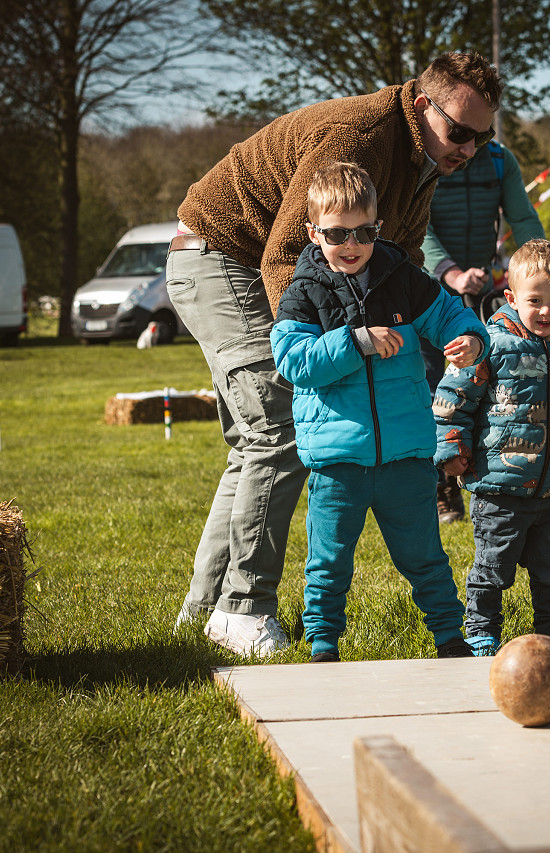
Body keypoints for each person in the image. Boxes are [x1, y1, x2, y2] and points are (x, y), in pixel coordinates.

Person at [168, 51, 503, 657]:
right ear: (424, 107)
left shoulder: (423, 160)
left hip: (260, 261)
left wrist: (442, 344)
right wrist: (323, 358)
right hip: (222, 256)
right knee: (280, 427)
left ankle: (205, 613)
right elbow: (286, 258)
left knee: (257, 441)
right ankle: (245, 608)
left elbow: (399, 273)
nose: (470, 149)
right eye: (460, 132)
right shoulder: (359, 140)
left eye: (484, 137)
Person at [271, 162, 491, 662]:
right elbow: (294, 363)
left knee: (426, 558)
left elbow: (449, 313)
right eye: (337, 234)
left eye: (364, 232)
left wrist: (470, 339)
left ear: (379, 229)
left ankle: (450, 639)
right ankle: (323, 645)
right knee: (327, 563)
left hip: (406, 455)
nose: (352, 244)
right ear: (313, 233)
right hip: (337, 462)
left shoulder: (403, 278)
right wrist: (356, 342)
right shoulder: (303, 294)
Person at [432, 239, 550, 656]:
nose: (547, 311)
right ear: (511, 298)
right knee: (493, 565)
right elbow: (451, 400)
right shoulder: (490, 345)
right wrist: (452, 448)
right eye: (536, 301)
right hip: (498, 485)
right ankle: (481, 630)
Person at [422, 139, 544, 524]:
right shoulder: (424, 157)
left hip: (482, 288)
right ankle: (441, 489)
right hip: (428, 286)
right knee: (435, 389)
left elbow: (522, 217)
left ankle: (488, 477)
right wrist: (450, 272)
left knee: (486, 386)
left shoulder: (498, 159)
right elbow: (416, 223)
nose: (469, 143)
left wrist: (543, 273)